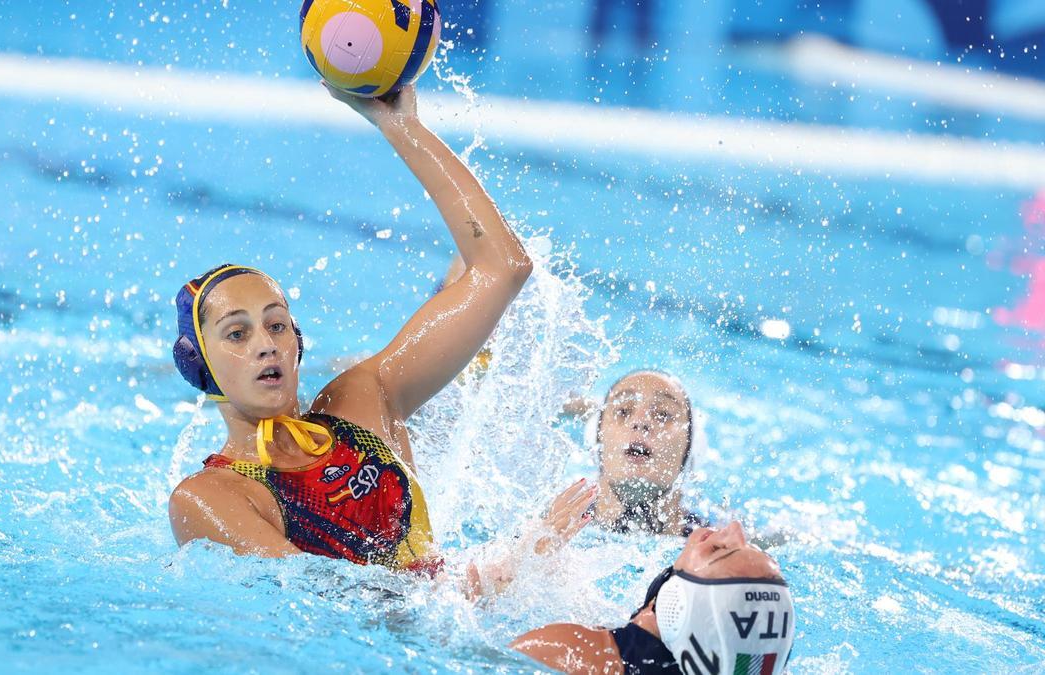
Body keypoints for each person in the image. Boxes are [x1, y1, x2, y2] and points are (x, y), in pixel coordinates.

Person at [166, 83, 597, 586]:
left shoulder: (361, 402)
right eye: (236, 334)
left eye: (277, 324)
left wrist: (403, 129)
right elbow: (327, 604)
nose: (266, 342)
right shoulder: (211, 496)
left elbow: (503, 266)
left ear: (297, 342)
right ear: (198, 364)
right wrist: (513, 563)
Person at [511, 521, 796, 674]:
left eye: (720, 551)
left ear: (677, 604)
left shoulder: (579, 655)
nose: (735, 529)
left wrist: (521, 559)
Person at [585, 371, 706, 536]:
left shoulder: (718, 544)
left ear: (690, 448)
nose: (640, 422)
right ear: (597, 439)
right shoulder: (550, 526)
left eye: (663, 414)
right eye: (623, 411)